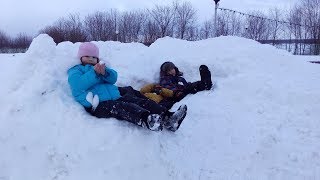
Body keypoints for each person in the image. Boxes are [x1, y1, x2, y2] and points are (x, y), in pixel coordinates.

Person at [67, 42, 187, 131]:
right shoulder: (76, 70)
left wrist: (104, 72)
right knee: (124, 107)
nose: (91, 59)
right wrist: (94, 73)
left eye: (94, 57)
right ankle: (146, 120)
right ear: (80, 57)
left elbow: (113, 78)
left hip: (114, 96)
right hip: (98, 105)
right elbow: (78, 85)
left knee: (138, 101)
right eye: (87, 56)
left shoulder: (99, 67)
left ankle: (169, 118)